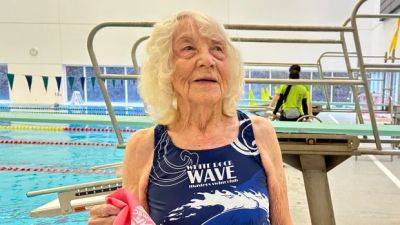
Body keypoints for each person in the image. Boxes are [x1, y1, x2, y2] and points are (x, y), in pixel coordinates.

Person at [89, 11, 292, 225]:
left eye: (217, 49)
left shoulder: (258, 133)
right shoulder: (144, 147)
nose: (207, 60)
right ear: (164, 68)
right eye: (188, 48)